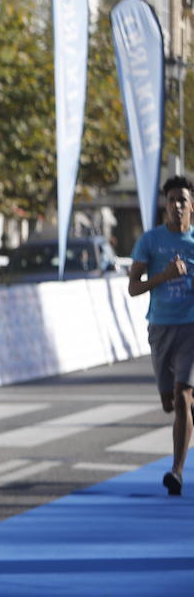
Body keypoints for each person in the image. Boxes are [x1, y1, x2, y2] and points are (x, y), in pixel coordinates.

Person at [127, 175, 194, 496]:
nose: (177, 206)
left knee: (183, 398)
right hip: (160, 327)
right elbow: (133, 287)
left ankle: (176, 472)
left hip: (191, 328)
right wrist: (165, 275)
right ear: (165, 206)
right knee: (170, 403)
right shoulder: (150, 242)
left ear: (191, 205)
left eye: (182, 200)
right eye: (172, 201)